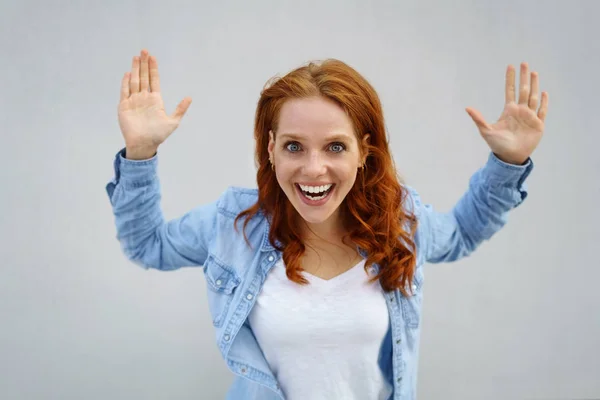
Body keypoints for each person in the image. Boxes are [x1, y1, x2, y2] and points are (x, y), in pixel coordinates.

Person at [106, 49, 548, 400]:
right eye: (295, 146)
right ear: (272, 148)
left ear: (364, 152)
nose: (313, 169)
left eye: (335, 147)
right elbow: (147, 244)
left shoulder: (401, 223)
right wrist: (140, 153)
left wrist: (508, 163)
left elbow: (464, 232)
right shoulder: (232, 224)